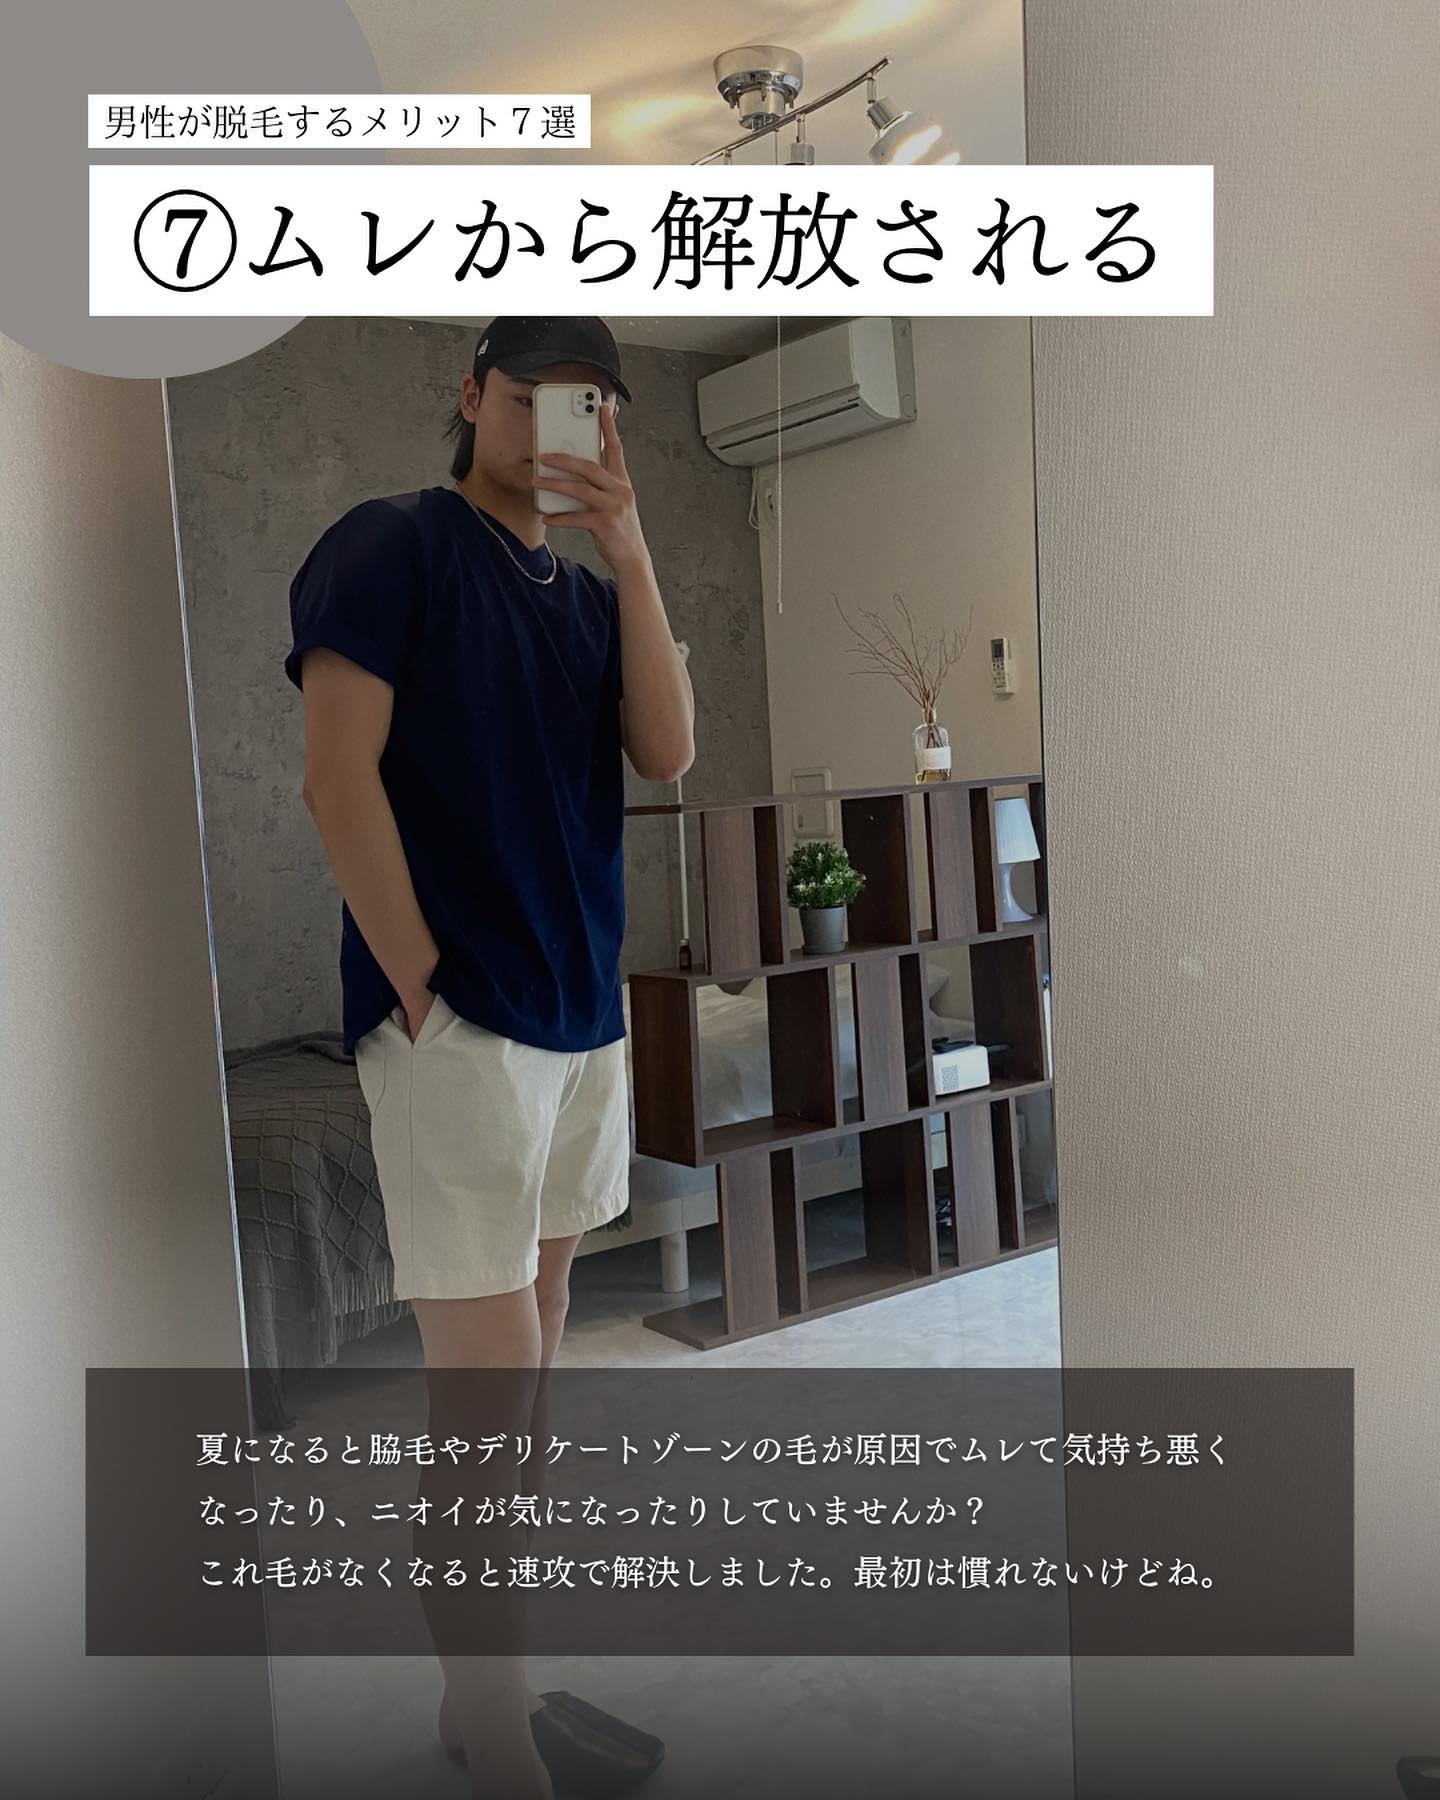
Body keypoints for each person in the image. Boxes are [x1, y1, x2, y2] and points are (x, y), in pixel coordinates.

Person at [286, 318, 693, 1798]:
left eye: (588, 407)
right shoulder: (391, 545)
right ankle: (501, 1732)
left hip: (582, 1018)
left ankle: (482, 1700)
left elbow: (669, 752)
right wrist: (418, 985)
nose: (553, 427)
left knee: (531, 1375)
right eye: (526, 398)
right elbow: (337, 777)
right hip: (462, 1027)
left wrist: (632, 552)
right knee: (483, 1403)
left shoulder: (587, 600)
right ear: (470, 398)